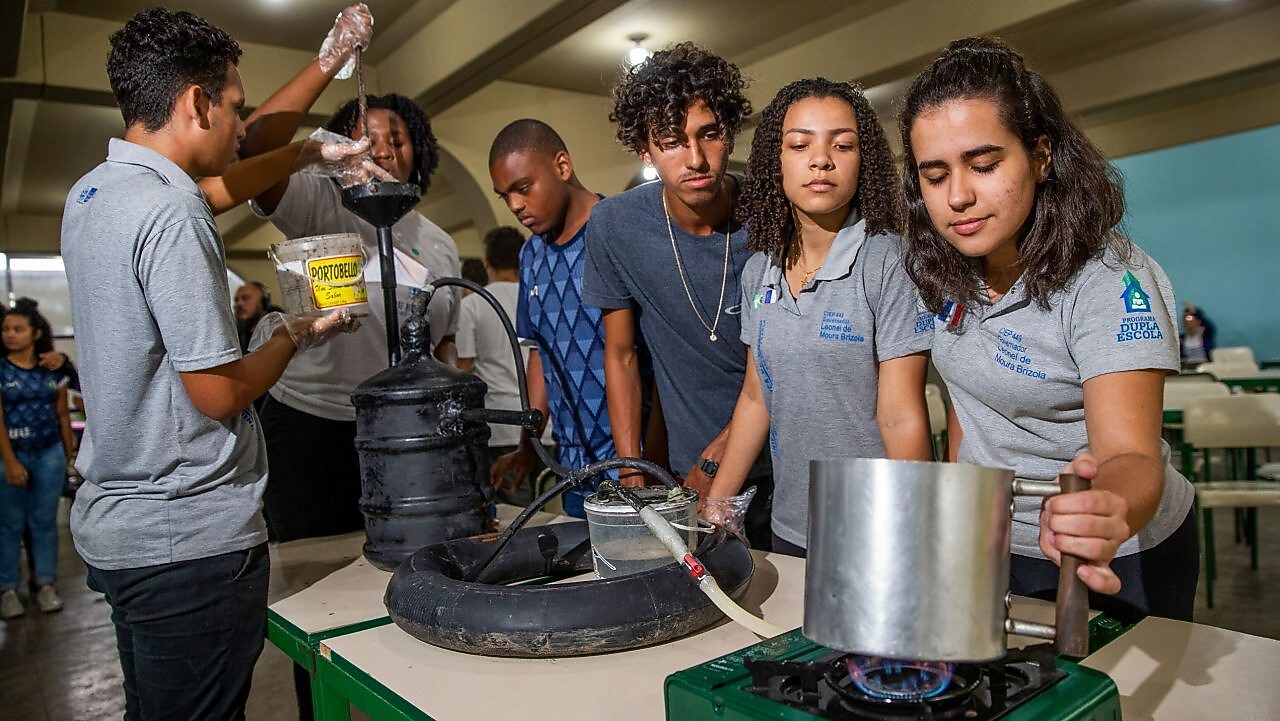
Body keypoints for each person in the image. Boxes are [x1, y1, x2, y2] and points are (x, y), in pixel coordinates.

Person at [60, 8, 358, 719]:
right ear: (196, 101)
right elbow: (218, 394)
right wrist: (290, 334)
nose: (240, 124)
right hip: (186, 541)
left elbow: (216, 188)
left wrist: (308, 154)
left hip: (120, 528)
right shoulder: (171, 214)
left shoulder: (95, 191)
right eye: (234, 107)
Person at [900, 37, 1198, 622]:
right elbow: (970, 402)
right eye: (935, 176)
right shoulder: (944, 267)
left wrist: (1101, 507)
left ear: (1040, 156)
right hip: (998, 537)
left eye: (984, 165)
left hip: (1117, 544)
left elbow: (1131, 453)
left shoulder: (1108, 279)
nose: (958, 196)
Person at [705, 78, 934, 556]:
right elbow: (755, 397)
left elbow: (900, 414)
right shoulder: (757, 272)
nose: (821, 159)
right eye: (800, 144)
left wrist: (922, 528)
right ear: (776, 162)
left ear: (862, 161)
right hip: (790, 525)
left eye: (842, 145)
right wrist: (718, 506)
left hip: (876, 529)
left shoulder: (887, 261)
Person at [245, 90, 461, 544]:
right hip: (314, 420)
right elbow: (255, 150)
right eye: (368, 139)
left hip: (401, 426)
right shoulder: (321, 203)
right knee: (316, 569)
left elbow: (444, 345)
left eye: (397, 140)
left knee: (405, 555)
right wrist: (314, 150)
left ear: (417, 151)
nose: (383, 150)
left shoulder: (440, 242)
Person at [582, 43, 773, 548]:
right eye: (671, 142)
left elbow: (787, 362)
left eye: (709, 134)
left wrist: (718, 457)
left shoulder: (773, 215)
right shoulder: (615, 226)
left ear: (728, 131)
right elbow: (620, 355)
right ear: (644, 150)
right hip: (689, 477)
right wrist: (632, 477)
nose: (695, 158)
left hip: (786, 464)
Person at [487, 119, 623, 517]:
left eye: (523, 188)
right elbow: (539, 356)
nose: (514, 206)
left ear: (562, 166)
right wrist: (528, 447)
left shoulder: (615, 228)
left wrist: (643, 463)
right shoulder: (530, 256)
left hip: (635, 464)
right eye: (504, 196)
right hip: (572, 469)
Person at [0, 301, 78, 619]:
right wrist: (11, 462)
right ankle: (8, 589)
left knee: (44, 523)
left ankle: (45, 584)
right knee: (9, 525)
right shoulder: (2, 369)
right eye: (5, 329)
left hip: (48, 453)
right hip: (12, 454)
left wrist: (68, 452)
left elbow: (62, 414)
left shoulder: (52, 369)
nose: (10, 335)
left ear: (35, 333)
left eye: (18, 329)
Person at [456, 226, 529, 501]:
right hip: (544, 424)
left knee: (517, 517)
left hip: (500, 426)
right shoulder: (534, 297)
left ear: (487, 262)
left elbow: (464, 371)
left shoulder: (473, 305)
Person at [234, 281, 282, 352]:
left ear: (264, 303)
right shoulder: (235, 337)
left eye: (245, 298)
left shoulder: (279, 332)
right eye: (236, 300)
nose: (239, 304)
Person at [1180, 303, 1214, 370]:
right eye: (1184, 318)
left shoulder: (1205, 333)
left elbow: (1208, 324)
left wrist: (1194, 311)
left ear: (1198, 320)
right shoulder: (1183, 337)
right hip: (1188, 367)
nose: (1186, 321)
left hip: (1204, 366)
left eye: (1189, 318)